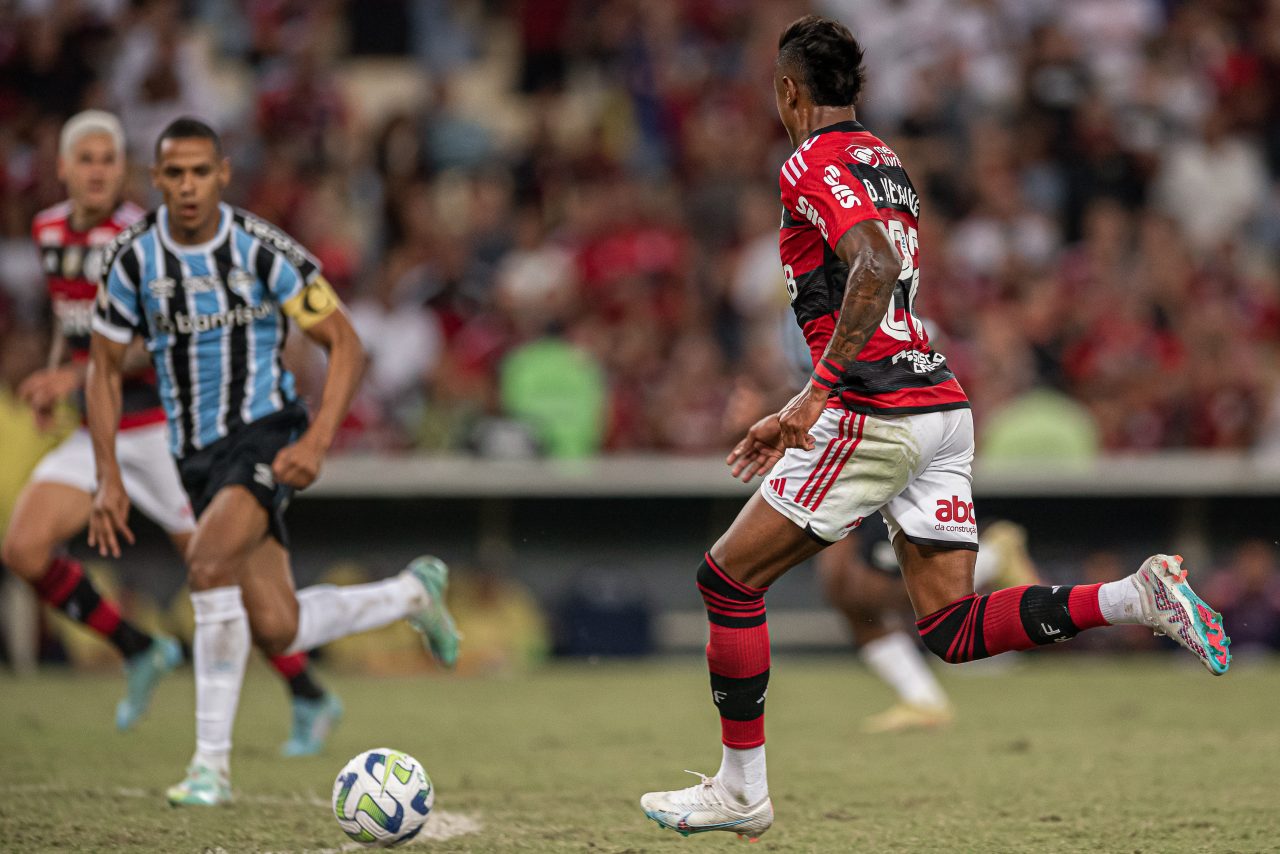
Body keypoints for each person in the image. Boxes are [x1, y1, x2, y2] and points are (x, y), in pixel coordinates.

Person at [639, 16, 1230, 841]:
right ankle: (1137, 595)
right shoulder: (886, 162)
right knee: (948, 629)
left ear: (786, 91)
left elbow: (875, 266)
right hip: (940, 404)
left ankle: (742, 791)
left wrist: (812, 398)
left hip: (874, 408)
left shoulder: (812, 159)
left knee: (728, 583)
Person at [86, 117, 461, 806]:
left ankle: (210, 767)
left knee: (205, 565)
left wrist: (315, 440)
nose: (189, 186)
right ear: (156, 179)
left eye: (202, 171)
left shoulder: (262, 250)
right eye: (175, 173)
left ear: (223, 173)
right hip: (192, 454)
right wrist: (107, 473)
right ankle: (413, 594)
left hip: (264, 434)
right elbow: (104, 367)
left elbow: (344, 342)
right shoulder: (132, 259)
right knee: (277, 625)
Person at [0, 111, 338, 753]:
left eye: (109, 159)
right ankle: (139, 648)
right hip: (101, 431)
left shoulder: (146, 238)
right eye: (87, 159)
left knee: (225, 574)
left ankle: (308, 692)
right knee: (23, 548)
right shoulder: (49, 230)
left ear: (126, 170)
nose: (98, 171)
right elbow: (69, 320)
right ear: (64, 169)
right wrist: (56, 374)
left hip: (167, 429)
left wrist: (75, 377)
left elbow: (171, 339)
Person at [821, 517, 1040, 734]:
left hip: (875, 489)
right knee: (843, 590)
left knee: (880, 593)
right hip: (827, 488)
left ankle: (994, 556)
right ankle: (922, 700)